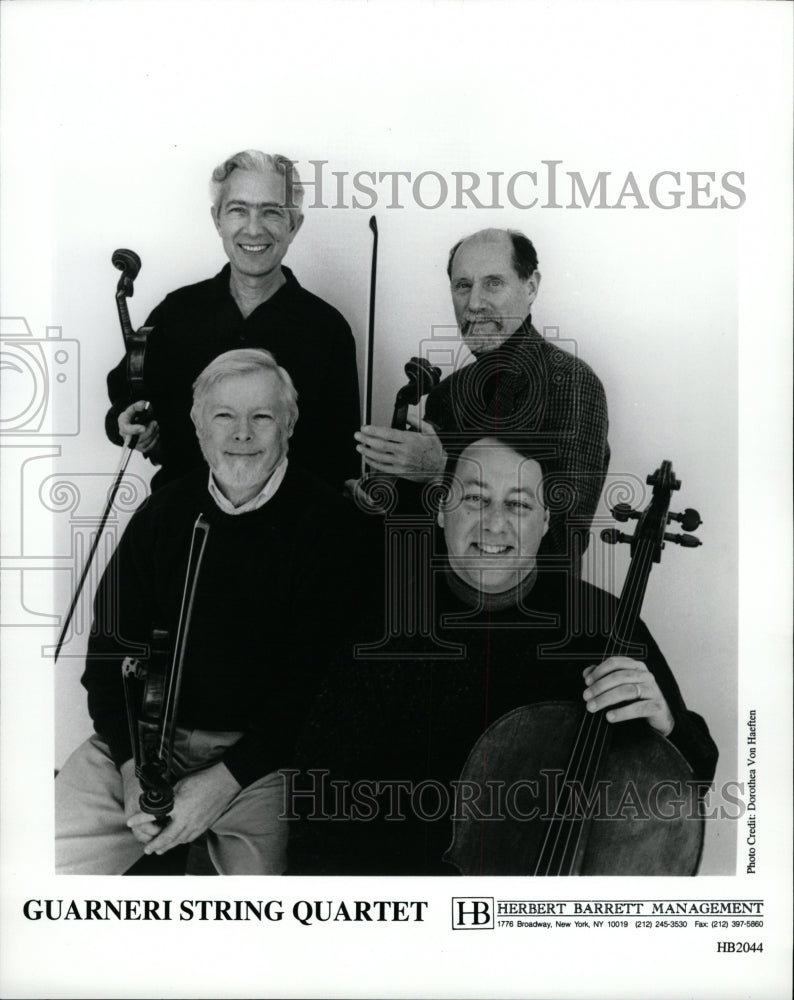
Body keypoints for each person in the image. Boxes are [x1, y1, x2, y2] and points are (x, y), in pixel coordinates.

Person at [290, 435, 717, 875]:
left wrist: (667, 725)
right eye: (475, 498)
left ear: (546, 520)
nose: (494, 524)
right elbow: (319, 808)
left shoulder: (606, 623)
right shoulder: (382, 629)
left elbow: (696, 774)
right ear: (440, 509)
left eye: (518, 505)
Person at [57, 349, 371, 875]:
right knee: (34, 866)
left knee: (260, 923)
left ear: (289, 426)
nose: (241, 434)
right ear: (198, 428)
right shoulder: (162, 514)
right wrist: (134, 771)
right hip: (145, 741)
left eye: (262, 417)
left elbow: (313, 691)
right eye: (223, 416)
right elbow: (107, 661)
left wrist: (224, 780)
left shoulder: (332, 527)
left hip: (259, 764)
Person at [106, 150, 360, 492]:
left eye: (271, 212)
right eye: (238, 210)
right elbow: (126, 403)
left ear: (294, 225)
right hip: (182, 515)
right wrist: (128, 423)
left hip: (289, 532)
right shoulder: (176, 311)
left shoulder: (328, 329)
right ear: (217, 220)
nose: (253, 229)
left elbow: (340, 460)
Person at [354, 228, 609, 565]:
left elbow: (563, 542)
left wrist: (443, 470)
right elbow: (431, 531)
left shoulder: (571, 382)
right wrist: (388, 496)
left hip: (526, 612)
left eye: (493, 283)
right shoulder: (447, 394)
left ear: (531, 286)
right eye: (463, 286)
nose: (473, 303)